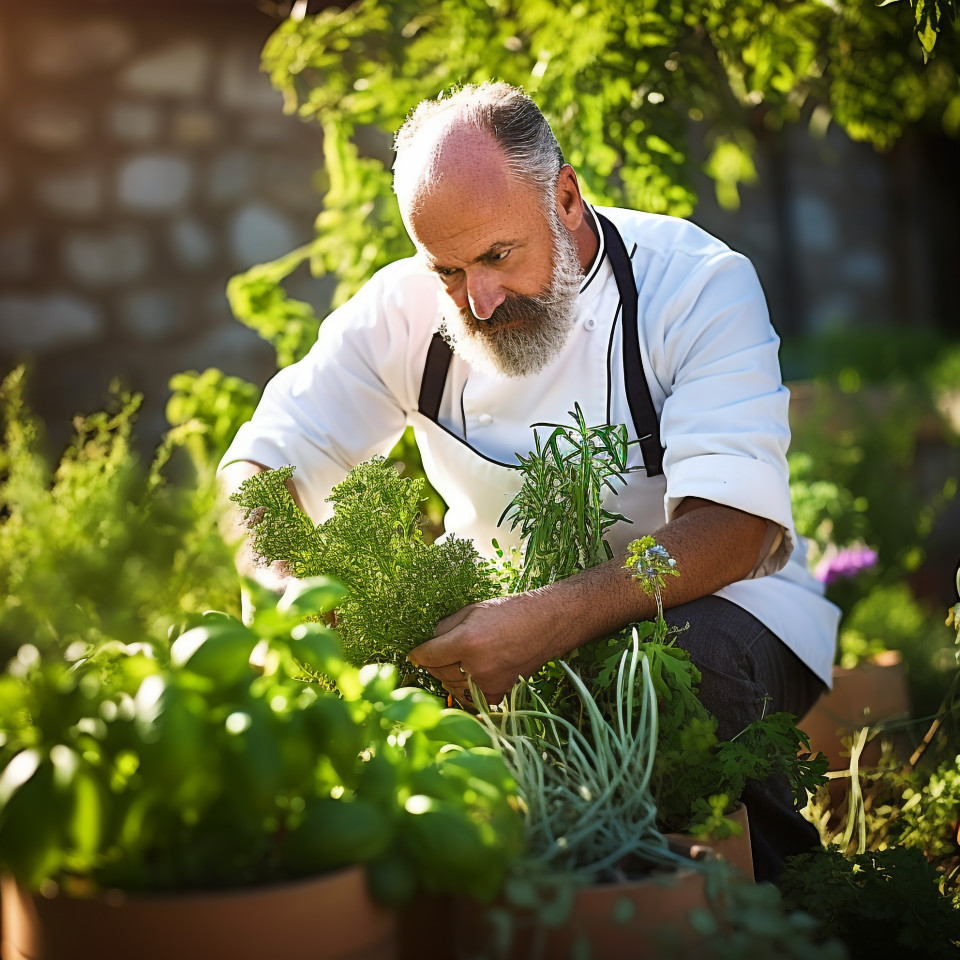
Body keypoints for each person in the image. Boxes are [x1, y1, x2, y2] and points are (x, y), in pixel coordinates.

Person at [218, 81, 839, 882]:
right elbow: (259, 463)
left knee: (683, 663)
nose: (476, 299)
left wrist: (550, 620)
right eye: (446, 269)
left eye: (497, 257)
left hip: (721, 610)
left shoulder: (696, 286)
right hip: (497, 627)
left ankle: (785, 901)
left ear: (567, 198)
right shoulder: (402, 314)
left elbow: (734, 529)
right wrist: (283, 591)